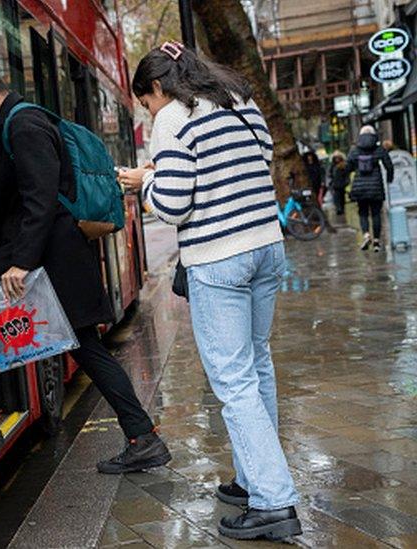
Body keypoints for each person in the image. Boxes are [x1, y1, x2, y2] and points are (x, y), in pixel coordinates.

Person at [0, 57, 171, 474]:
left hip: (50, 256)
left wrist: (21, 263)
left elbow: (41, 198)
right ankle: (143, 438)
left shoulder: (23, 125)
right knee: (88, 350)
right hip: (55, 255)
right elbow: (21, 195)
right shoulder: (14, 124)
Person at [118, 41, 302, 541]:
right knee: (257, 364)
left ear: (157, 86)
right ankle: (251, 478)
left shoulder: (173, 117)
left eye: (146, 102)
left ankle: (273, 500)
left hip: (219, 258)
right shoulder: (240, 98)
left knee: (234, 380)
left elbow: (175, 204)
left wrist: (144, 184)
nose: (149, 112)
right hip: (266, 245)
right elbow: (254, 161)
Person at [348, 125, 393, 252]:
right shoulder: (379, 149)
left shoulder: (355, 150)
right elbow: (389, 165)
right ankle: (377, 241)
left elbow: (348, 166)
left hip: (359, 187)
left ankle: (366, 235)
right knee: (376, 214)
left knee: (362, 213)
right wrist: (389, 178)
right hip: (375, 187)